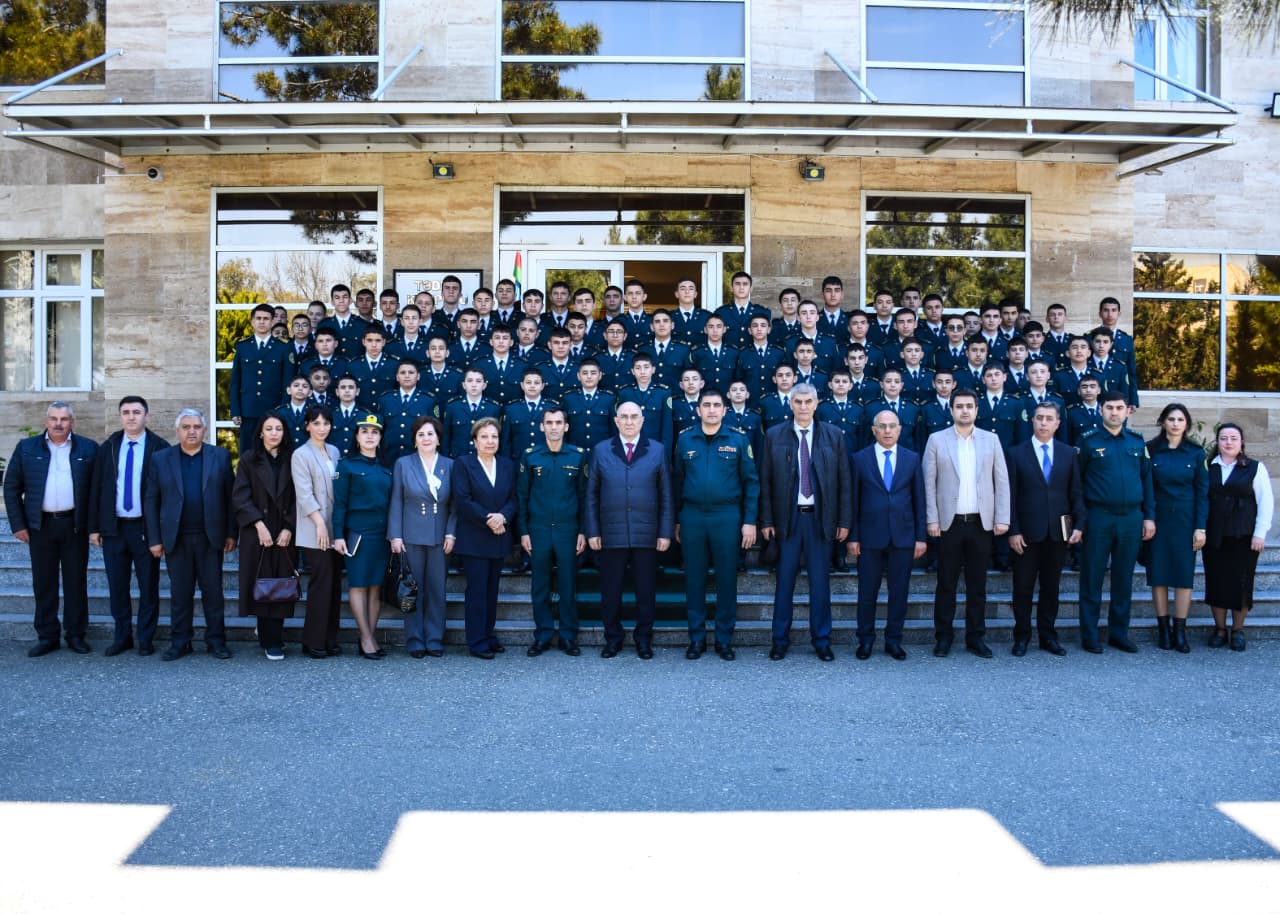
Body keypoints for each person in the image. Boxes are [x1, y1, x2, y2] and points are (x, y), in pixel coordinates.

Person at [759, 383, 851, 661]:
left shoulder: (833, 435)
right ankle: (779, 640)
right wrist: (767, 520)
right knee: (784, 584)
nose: (802, 406)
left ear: (816, 403)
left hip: (820, 521)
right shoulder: (774, 435)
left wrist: (843, 520)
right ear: (790, 404)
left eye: (808, 401)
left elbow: (844, 481)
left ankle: (821, 640)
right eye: (797, 401)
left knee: (820, 585)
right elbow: (765, 481)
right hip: (787, 521)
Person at [4, 401, 99, 656]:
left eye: (64, 419)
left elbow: (98, 490)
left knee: (75, 582)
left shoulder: (88, 448)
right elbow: (11, 487)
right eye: (54, 419)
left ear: (72, 422)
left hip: (74, 525)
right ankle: (47, 637)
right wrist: (18, 524)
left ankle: (76, 635)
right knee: (44, 583)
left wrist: (94, 526)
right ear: (46, 421)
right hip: (40, 526)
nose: (59, 424)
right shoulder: (27, 448)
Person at [923, 389, 1010, 659]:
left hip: (980, 524)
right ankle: (943, 637)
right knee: (946, 584)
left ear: (976, 410)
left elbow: (1002, 481)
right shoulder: (936, 440)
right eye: (959, 406)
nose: (964, 410)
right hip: (949, 524)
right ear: (951, 410)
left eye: (969, 406)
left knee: (977, 586)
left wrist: (1002, 518)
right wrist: (932, 518)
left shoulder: (991, 440)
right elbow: (928, 483)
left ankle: (976, 638)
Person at [673, 389, 759, 660]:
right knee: (694, 579)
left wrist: (749, 520)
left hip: (727, 515)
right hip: (693, 516)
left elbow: (751, 482)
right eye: (706, 405)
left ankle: (723, 640)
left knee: (726, 579)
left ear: (724, 410)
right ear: (698, 410)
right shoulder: (685, 439)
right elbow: (677, 481)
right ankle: (696, 639)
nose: (711, 410)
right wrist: (677, 519)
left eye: (716, 405)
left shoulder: (738, 439)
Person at [144, 408, 236, 661]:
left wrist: (231, 533)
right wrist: (154, 539)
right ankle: (180, 642)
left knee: (213, 593)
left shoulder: (220, 456)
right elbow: (151, 500)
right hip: (176, 538)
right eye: (186, 427)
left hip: (210, 537)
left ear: (204, 430)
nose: (192, 431)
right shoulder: (161, 459)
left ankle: (216, 641)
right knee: (180, 594)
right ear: (178, 430)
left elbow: (230, 498)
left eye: (196, 426)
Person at [584, 401, 674, 659]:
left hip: (647, 534)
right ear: (616, 421)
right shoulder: (601, 450)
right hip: (611, 534)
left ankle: (644, 639)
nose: (629, 421)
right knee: (610, 592)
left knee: (645, 592)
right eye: (624, 417)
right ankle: (613, 639)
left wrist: (665, 532)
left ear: (642, 420)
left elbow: (666, 495)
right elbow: (591, 495)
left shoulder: (657, 450)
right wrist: (593, 531)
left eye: (634, 417)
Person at [88, 396, 169, 656]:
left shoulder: (159, 447)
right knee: (118, 585)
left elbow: (167, 493)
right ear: (120, 416)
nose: (131, 417)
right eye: (126, 412)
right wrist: (94, 527)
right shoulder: (109, 447)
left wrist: (161, 533)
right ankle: (122, 636)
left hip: (145, 529)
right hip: (114, 528)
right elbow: (96, 489)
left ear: (146, 416)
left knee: (148, 586)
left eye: (136, 412)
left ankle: (145, 638)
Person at [1076, 390, 1156, 654]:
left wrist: (1149, 517)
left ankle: (1118, 634)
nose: (1114, 412)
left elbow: (1147, 481)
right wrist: (1080, 521)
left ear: (1127, 410)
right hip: (1099, 517)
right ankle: (1090, 635)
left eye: (1119, 408)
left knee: (1123, 578)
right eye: (1109, 407)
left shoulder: (1136, 441)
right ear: (1101, 410)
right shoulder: (1088, 441)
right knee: (1092, 578)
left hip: (1131, 518)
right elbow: (1077, 483)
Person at [1006, 401, 1086, 657]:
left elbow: (1075, 492)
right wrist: (1013, 530)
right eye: (1039, 418)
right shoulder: (1016, 453)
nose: (1043, 423)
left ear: (1057, 423)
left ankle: (1048, 636)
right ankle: (1021, 637)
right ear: (1032, 420)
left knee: (1051, 588)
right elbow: (1010, 496)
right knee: (1023, 588)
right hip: (1026, 534)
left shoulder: (1068, 453)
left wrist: (1079, 525)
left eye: (1049, 418)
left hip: (1058, 532)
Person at [848, 409, 927, 660]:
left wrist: (921, 536)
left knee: (899, 593)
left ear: (900, 430)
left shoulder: (912, 459)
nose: (887, 431)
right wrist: (853, 536)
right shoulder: (859, 459)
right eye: (882, 426)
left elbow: (919, 500)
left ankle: (894, 640)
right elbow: (853, 501)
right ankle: (865, 640)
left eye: (892, 426)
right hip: (869, 537)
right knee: (867, 593)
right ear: (874, 430)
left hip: (903, 536)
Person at [517, 408, 588, 656]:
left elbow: (584, 497)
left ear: (566, 427)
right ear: (542, 426)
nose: (554, 427)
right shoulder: (531, 456)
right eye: (549, 422)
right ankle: (543, 635)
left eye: (559, 422)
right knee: (540, 586)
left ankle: (568, 636)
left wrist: (583, 531)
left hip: (568, 530)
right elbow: (522, 496)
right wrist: (523, 531)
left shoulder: (578, 456)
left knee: (568, 585)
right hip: (538, 530)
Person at [232, 410, 298, 661]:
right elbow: (240, 496)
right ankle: (268, 637)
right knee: (261, 582)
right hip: (257, 531)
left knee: (280, 584)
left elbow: (302, 496)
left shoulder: (294, 458)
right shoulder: (249, 459)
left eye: (278, 429)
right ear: (260, 432)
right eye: (269, 429)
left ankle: (274, 638)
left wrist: (289, 527)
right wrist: (258, 524)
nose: (274, 433)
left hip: (284, 531)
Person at [389, 416, 456, 658]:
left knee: (437, 590)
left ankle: (435, 638)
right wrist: (395, 535)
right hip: (411, 535)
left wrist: (451, 532)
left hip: (440, 536)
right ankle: (415, 640)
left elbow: (455, 504)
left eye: (430, 434)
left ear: (438, 439)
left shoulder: (450, 465)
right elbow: (396, 500)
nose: (426, 438)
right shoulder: (403, 464)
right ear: (414, 440)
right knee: (412, 589)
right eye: (421, 434)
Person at [451, 417, 518, 659]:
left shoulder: (507, 465)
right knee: (477, 592)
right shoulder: (463, 464)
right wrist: (490, 519)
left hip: (498, 537)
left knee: (492, 591)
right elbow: (463, 499)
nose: (490, 441)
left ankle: (489, 635)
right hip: (475, 537)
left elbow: (513, 498)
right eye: (484, 437)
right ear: (474, 440)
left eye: (494, 437)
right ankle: (477, 641)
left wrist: (503, 517)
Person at [1203, 423, 1273, 652]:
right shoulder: (1208, 466)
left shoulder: (1255, 468)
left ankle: (1238, 630)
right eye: (1224, 438)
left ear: (1242, 442)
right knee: (1216, 582)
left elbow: (1266, 502)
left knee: (1242, 584)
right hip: (1215, 536)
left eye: (1234, 438)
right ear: (1217, 442)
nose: (1229, 442)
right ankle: (1220, 629)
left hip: (1244, 536)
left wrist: (1260, 534)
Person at [1144, 403, 1208, 653]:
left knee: (1183, 576)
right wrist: (1148, 518)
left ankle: (1180, 631)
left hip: (1185, 521)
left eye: (1180, 420)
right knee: (1158, 575)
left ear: (1187, 424)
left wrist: (1200, 527)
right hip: (1158, 520)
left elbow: (1202, 493)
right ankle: (1164, 629)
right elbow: (1147, 487)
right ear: (1163, 422)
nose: (1175, 424)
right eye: (1171, 419)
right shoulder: (1151, 450)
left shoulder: (1196, 453)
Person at [331, 414, 394, 660]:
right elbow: (339, 504)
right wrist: (338, 535)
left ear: (380, 437)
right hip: (358, 534)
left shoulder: (385, 467)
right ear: (356, 437)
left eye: (374, 432)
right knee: (358, 585)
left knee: (375, 588)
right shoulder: (347, 466)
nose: (370, 436)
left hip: (381, 535)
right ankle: (366, 638)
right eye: (364, 431)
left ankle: (370, 636)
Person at [291, 405, 344, 659]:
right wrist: (319, 522)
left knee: (334, 584)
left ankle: (329, 639)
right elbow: (304, 494)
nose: (321, 428)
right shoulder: (300, 454)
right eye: (316, 423)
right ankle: (313, 641)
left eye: (326, 423)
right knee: (321, 583)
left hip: (334, 526)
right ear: (307, 426)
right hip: (314, 527)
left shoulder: (334, 451)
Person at [230, 303, 292, 455]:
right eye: (258, 318)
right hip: (248, 410)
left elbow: (287, 383)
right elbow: (235, 381)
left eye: (266, 318)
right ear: (252, 321)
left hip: (273, 410)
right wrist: (235, 410)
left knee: (274, 453)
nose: (262, 322)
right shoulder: (243, 346)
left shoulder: (283, 347)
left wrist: (284, 410)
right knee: (248, 453)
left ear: (272, 321)